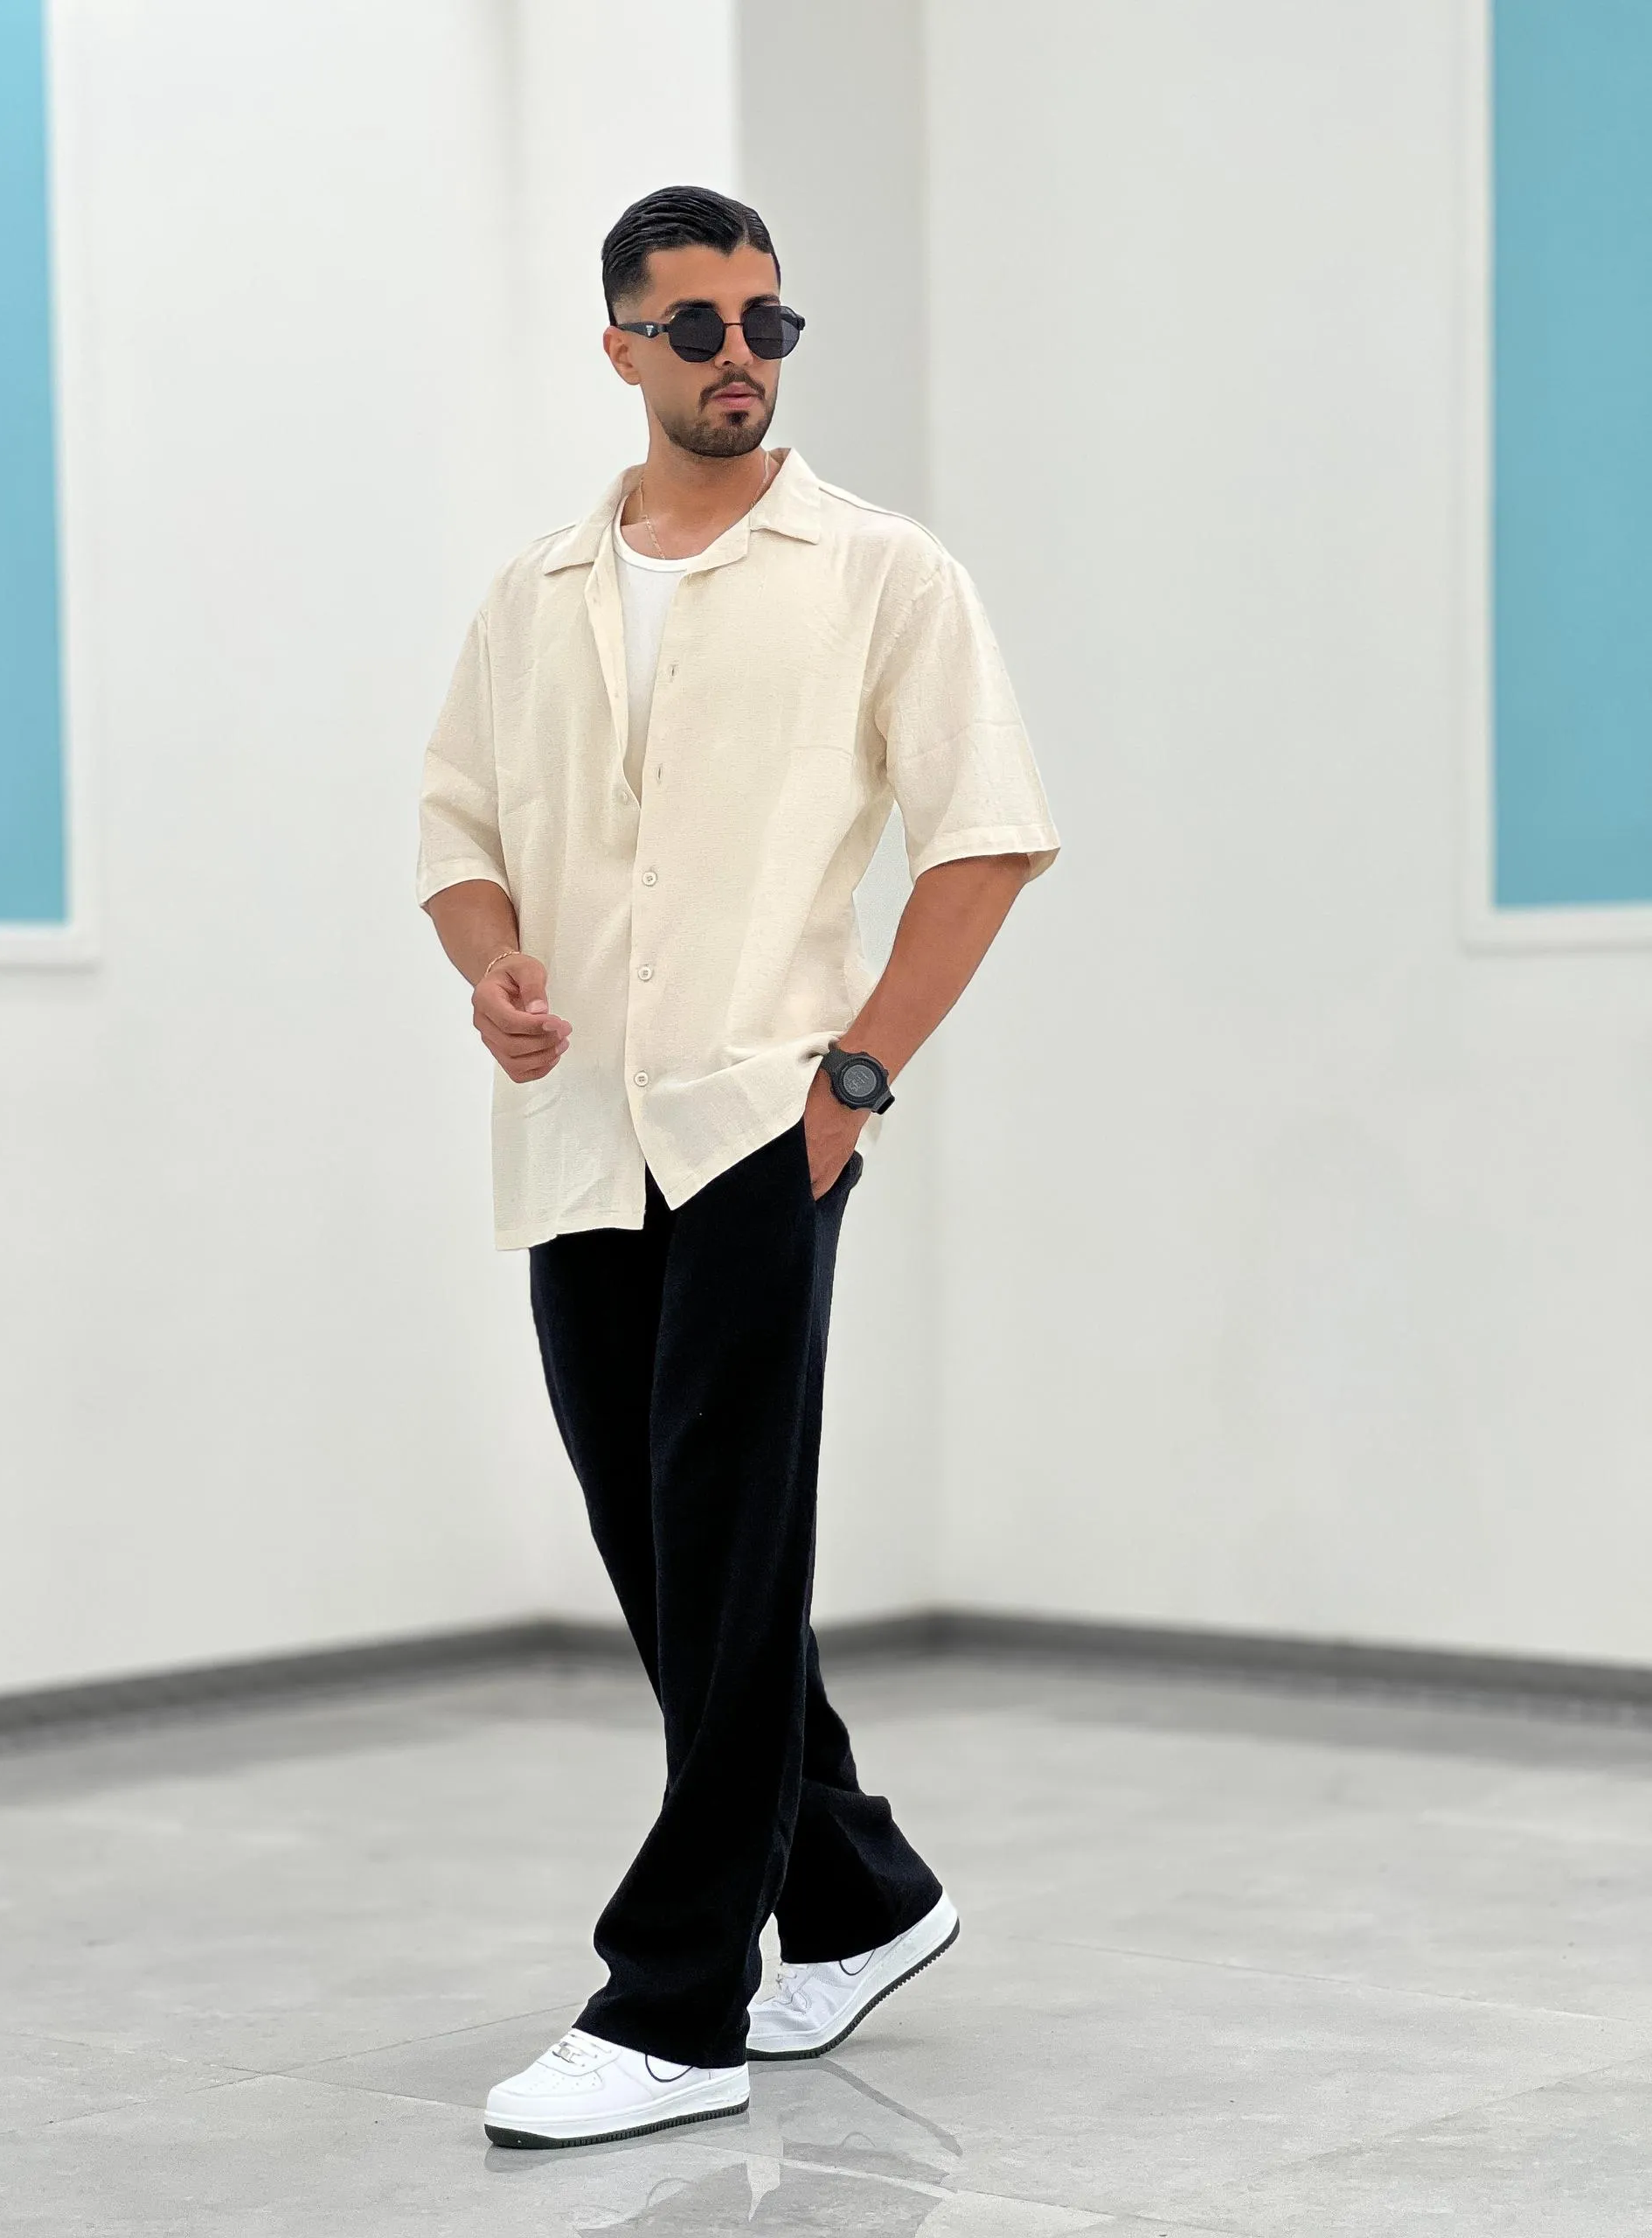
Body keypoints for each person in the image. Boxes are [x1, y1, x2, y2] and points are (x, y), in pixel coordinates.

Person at [415, 184, 1061, 2151]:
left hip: (760, 1126)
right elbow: (458, 833)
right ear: (619, 344)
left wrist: (852, 1081)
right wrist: (490, 971)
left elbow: (984, 839)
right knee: (666, 1545)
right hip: (576, 1133)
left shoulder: (876, 570)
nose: (736, 357)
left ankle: (673, 2001)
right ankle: (854, 1888)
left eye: (766, 323)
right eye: (694, 325)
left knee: (724, 1536)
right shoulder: (535, 590)